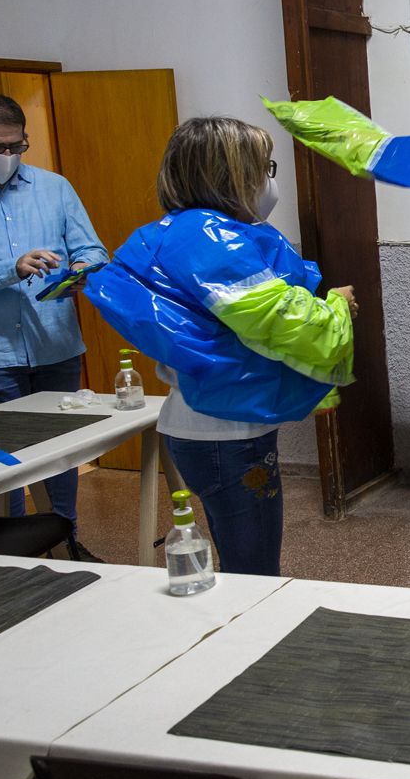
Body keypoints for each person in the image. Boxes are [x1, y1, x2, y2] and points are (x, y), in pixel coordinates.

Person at [85, 117, 356, 576]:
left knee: (244, 555)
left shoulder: (182, 231)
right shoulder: (209, 238)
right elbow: (282, 322)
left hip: (213, 423)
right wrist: (338, 308)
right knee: (252, 568)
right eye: (264, 168)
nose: (270, 182)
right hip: (223, 433)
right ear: (230, 174)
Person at [0, 93, 107, 557]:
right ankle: (1, 553)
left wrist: (81, 272)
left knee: (60, 453)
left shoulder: (54, 188)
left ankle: (65, 539)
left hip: (56, 345)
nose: (8, 156)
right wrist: (12, 267)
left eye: (17, 146)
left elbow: (93, 250)